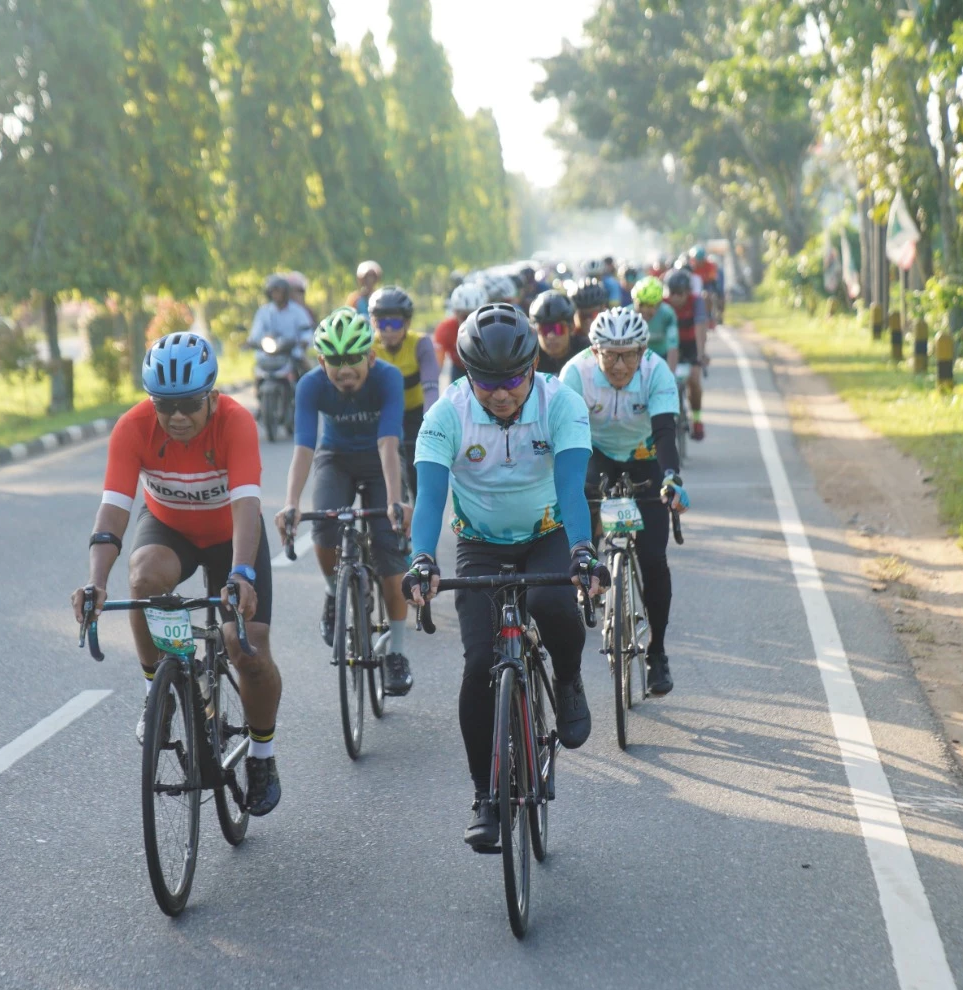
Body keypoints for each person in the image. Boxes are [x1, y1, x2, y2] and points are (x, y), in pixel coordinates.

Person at [402, 303, 609, 849]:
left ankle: (568, 679)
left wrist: (582, 551)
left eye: (513, 380)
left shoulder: (560, 403)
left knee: (553, 604)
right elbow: (429, 499)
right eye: (486, 382)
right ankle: (486, 796)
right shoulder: (446, 415)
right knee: (478, 665)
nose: (500, 394)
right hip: (480, 544)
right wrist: (421, 559)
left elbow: (571, 488)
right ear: (468, 374)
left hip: (548, 533)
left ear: (533, 366)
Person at [72, 332, 284, 816]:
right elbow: (113, 512)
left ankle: (262, 756)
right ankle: (158, 693)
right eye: (165, 405)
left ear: (212, 395)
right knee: (143, 578)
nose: (178, 416)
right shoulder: (133, 428)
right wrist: (96, 582)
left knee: (246, 647)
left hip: (233, 535)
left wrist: (242, 573)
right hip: (171, 529)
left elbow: (246, 506)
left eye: (189, 403)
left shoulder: (235, 422)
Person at [275, 309, 416, 695]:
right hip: (335, 459)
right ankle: (332, 591)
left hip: (380, 461)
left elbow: (389, 442)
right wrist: (291, 502)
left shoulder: (388, 378)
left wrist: (394, 501)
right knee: (324, 531)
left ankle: (396, 653)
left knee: (390, 554)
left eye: (353, 358)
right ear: (322, 363)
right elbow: (304, 446)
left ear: (370, 356)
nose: (345, 369)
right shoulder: (310, 385)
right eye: (335, 361)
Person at [558, 308, 689, 695]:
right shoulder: (575, 374)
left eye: (628, 355)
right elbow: (565, 436)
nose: (618, 365)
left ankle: (657, 652)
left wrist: (671, 477)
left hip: (645, 456)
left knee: (654, 560)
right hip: (595, 453)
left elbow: (665, 432)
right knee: (579, 517)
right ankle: (588, 576)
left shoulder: (657, 372)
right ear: (594, 351)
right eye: (610, 355)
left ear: (643, 352)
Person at [368, 286, 440, 500]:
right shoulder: (368, 347)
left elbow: (431, 388)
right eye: (382, 323)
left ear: (407, 323)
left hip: (415, 413)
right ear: (373, 323)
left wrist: (430, 422)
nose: (389, 330)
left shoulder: (421, 344)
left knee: (417, 469)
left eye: (396, 323)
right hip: (382, 414)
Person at [665, 268, 709, 441]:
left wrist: (701, 354)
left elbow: (700, 328)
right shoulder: (663, 303)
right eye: (672, 293)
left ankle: (697, 419)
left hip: (691, 344)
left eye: (680, 293)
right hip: (670, 344)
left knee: (694, 379)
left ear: (688, 292)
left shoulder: (696, 302)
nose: (676, 297)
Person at [247, 273, 315, 376]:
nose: (276, 295)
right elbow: (255, 333)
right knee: (256, 372)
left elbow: (306, 331)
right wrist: (253, 341)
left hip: (292, 353)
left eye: (279, 291)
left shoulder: (297, 311)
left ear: (285, 292)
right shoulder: (263, 312)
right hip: (267, 355)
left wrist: (304, 341)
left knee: (309, 372)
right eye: (273, 292)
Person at [436, 281, 488, 384]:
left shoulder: (490, 327)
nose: (470, 320)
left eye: (475, 315)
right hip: (459, 368)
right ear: (455, 313)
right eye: (465, 316)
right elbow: (438, 364)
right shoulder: (445, 329)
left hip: (486, 368)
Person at [631, 275, 680, 370]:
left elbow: (673, 347)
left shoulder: (667, 315)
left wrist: (670, 375)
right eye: (641, 304)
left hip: (662, 357)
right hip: (635, 359)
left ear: (659, 304)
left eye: (650, 306)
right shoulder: (627, 315)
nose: (644, 310)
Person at [529, 288, 577, 376]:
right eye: (544, 329)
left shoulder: (585, 354)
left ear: (571, 327)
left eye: (557, 328)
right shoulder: (528, 361)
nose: (551, 336)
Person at [569, 276, 609, 352]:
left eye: (594, 315)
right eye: (583, 316)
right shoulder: (569, 339)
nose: (588, 321)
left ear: (603, 309)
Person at [689, 246, 724, 323]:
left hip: (707, 284)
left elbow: (712, 280)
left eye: (701, 259)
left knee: (708, 296)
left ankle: (709, 315)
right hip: (695, 285)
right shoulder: (692, 266)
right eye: (697, 259)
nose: (699, 262)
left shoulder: (709, 265)